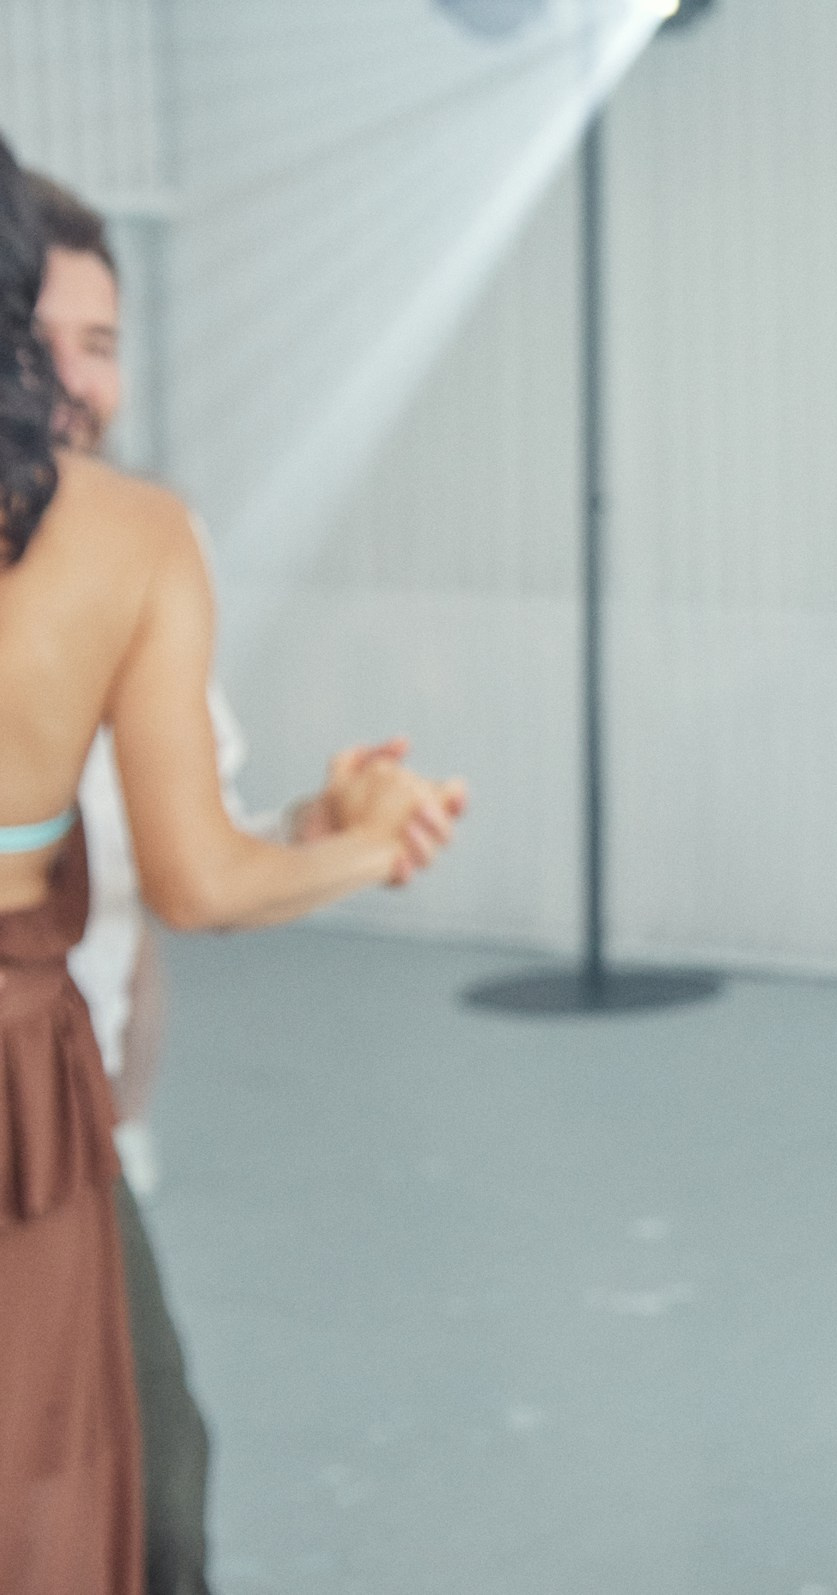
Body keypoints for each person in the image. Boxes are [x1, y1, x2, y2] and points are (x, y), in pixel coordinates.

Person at [0, 131, 463, 1595]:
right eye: (45, 337)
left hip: (69, 1115)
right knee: (109, 1504)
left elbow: (193, 844)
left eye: (105, 343)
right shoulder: (129, 545)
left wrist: (314, 834)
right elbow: (198, 881)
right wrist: (369, 852)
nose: (80, 380)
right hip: (29, 1102)